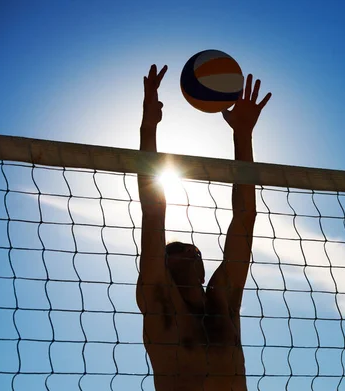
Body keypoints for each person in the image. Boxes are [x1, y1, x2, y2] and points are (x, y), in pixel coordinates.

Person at [136, 64, 271, 391]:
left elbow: (245, 217)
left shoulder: (223, 303)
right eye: (175, 249)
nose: (187, 250)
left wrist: (242, 135)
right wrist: (148, 127)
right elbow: (154, 213)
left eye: (192, 249)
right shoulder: (159, 303)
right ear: (164, 264)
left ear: (201, 266)